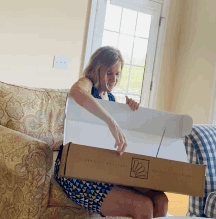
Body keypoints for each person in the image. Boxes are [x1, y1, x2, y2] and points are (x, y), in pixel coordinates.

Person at [54, 46, 168, 219]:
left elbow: (119, 141)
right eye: (109, 72)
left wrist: (129, 113)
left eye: (117, 74)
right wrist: (111, 121)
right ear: (96, 69)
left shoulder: (112, 99)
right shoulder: (87, 84)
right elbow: (76, 92)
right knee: (142, 205)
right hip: (76, 171)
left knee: (161, 200)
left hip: (106, 170)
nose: (113, 79)